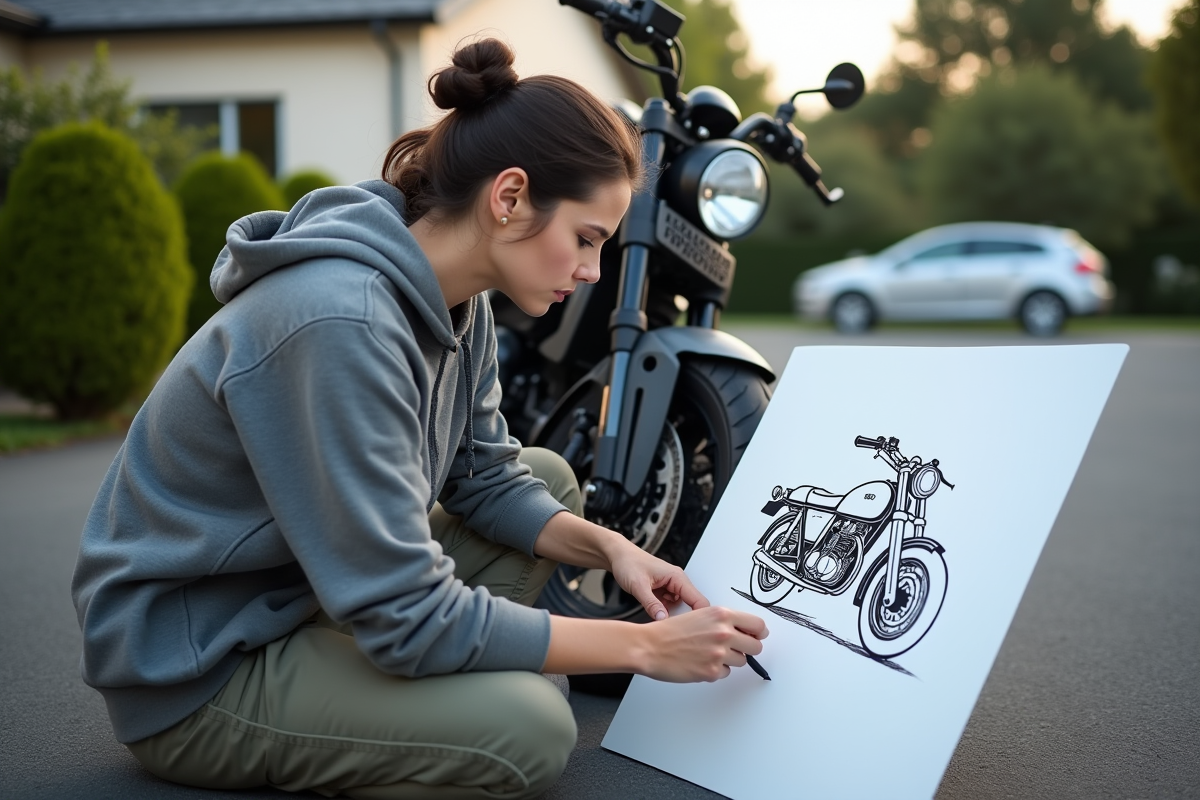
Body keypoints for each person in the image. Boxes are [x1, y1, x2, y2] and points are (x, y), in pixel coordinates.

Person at [71, 38, 767, 799]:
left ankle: (431, 699)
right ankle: (440, 710)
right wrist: (642, 648)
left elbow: (486, 480)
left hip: (304, 602)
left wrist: (615, 552)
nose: (593, 271)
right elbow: (402, 608)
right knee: (529, 729)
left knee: (545, 478)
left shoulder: (460, 305)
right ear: (509, 198)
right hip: (200, 670)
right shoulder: (339, 321)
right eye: (586, 239)